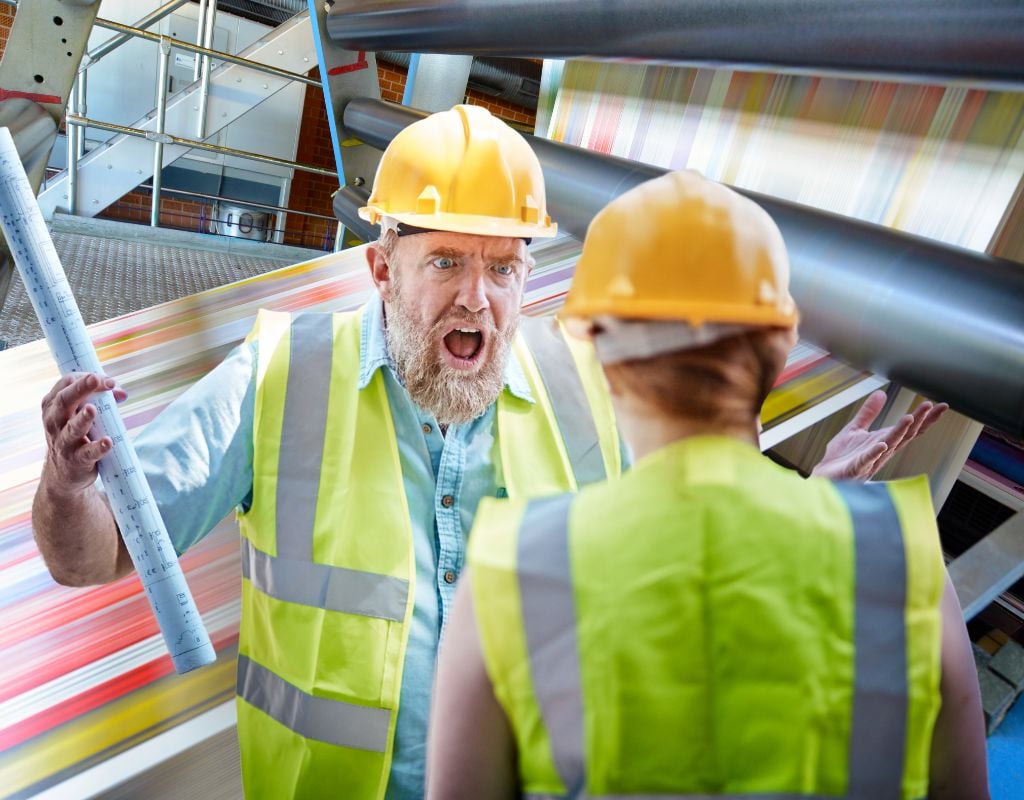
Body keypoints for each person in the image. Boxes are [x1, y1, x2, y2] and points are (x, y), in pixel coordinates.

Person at [33, 107, 946, 800]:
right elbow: (94, 554)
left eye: (503, 267)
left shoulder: (586, 387)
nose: (478, 299)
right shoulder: (275, 376)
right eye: (446, 264)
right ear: (382, 268)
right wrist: (70, 480)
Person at [427, 170, 987, 800]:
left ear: (600, 346)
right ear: (782, 340)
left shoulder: (510, 570)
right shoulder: (902, 558)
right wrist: (824, 503)